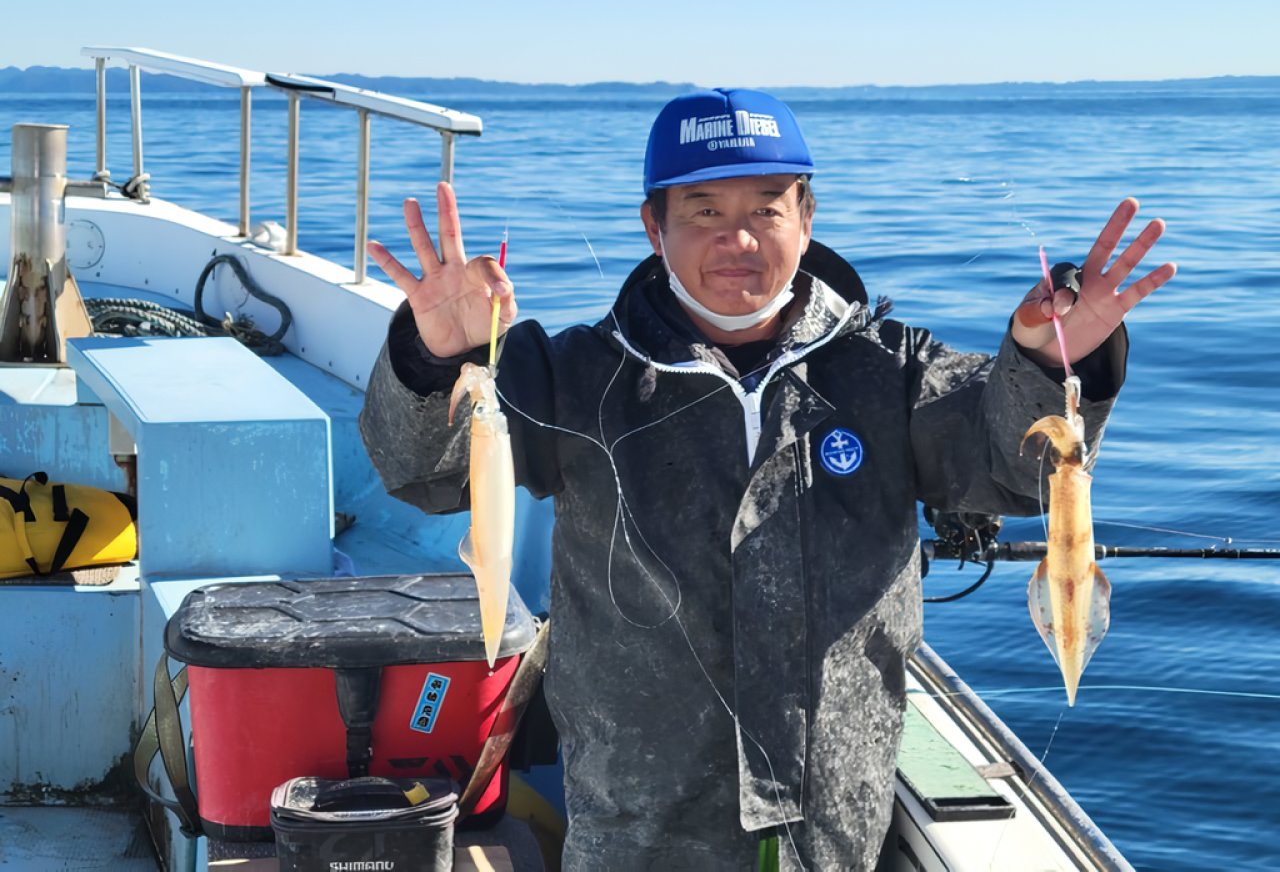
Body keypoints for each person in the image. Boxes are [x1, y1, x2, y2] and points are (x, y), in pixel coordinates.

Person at [359, 88, 1176, 871]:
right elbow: (421, 470)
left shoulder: (889, 371)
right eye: (704, 212)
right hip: (636, 826)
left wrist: (1050, 359)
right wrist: (434, 360)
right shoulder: (571, 374)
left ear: (807, 217)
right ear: (654, 226)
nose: (737, 239)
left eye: (765, 209)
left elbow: (1014, 465)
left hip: (834, 829)